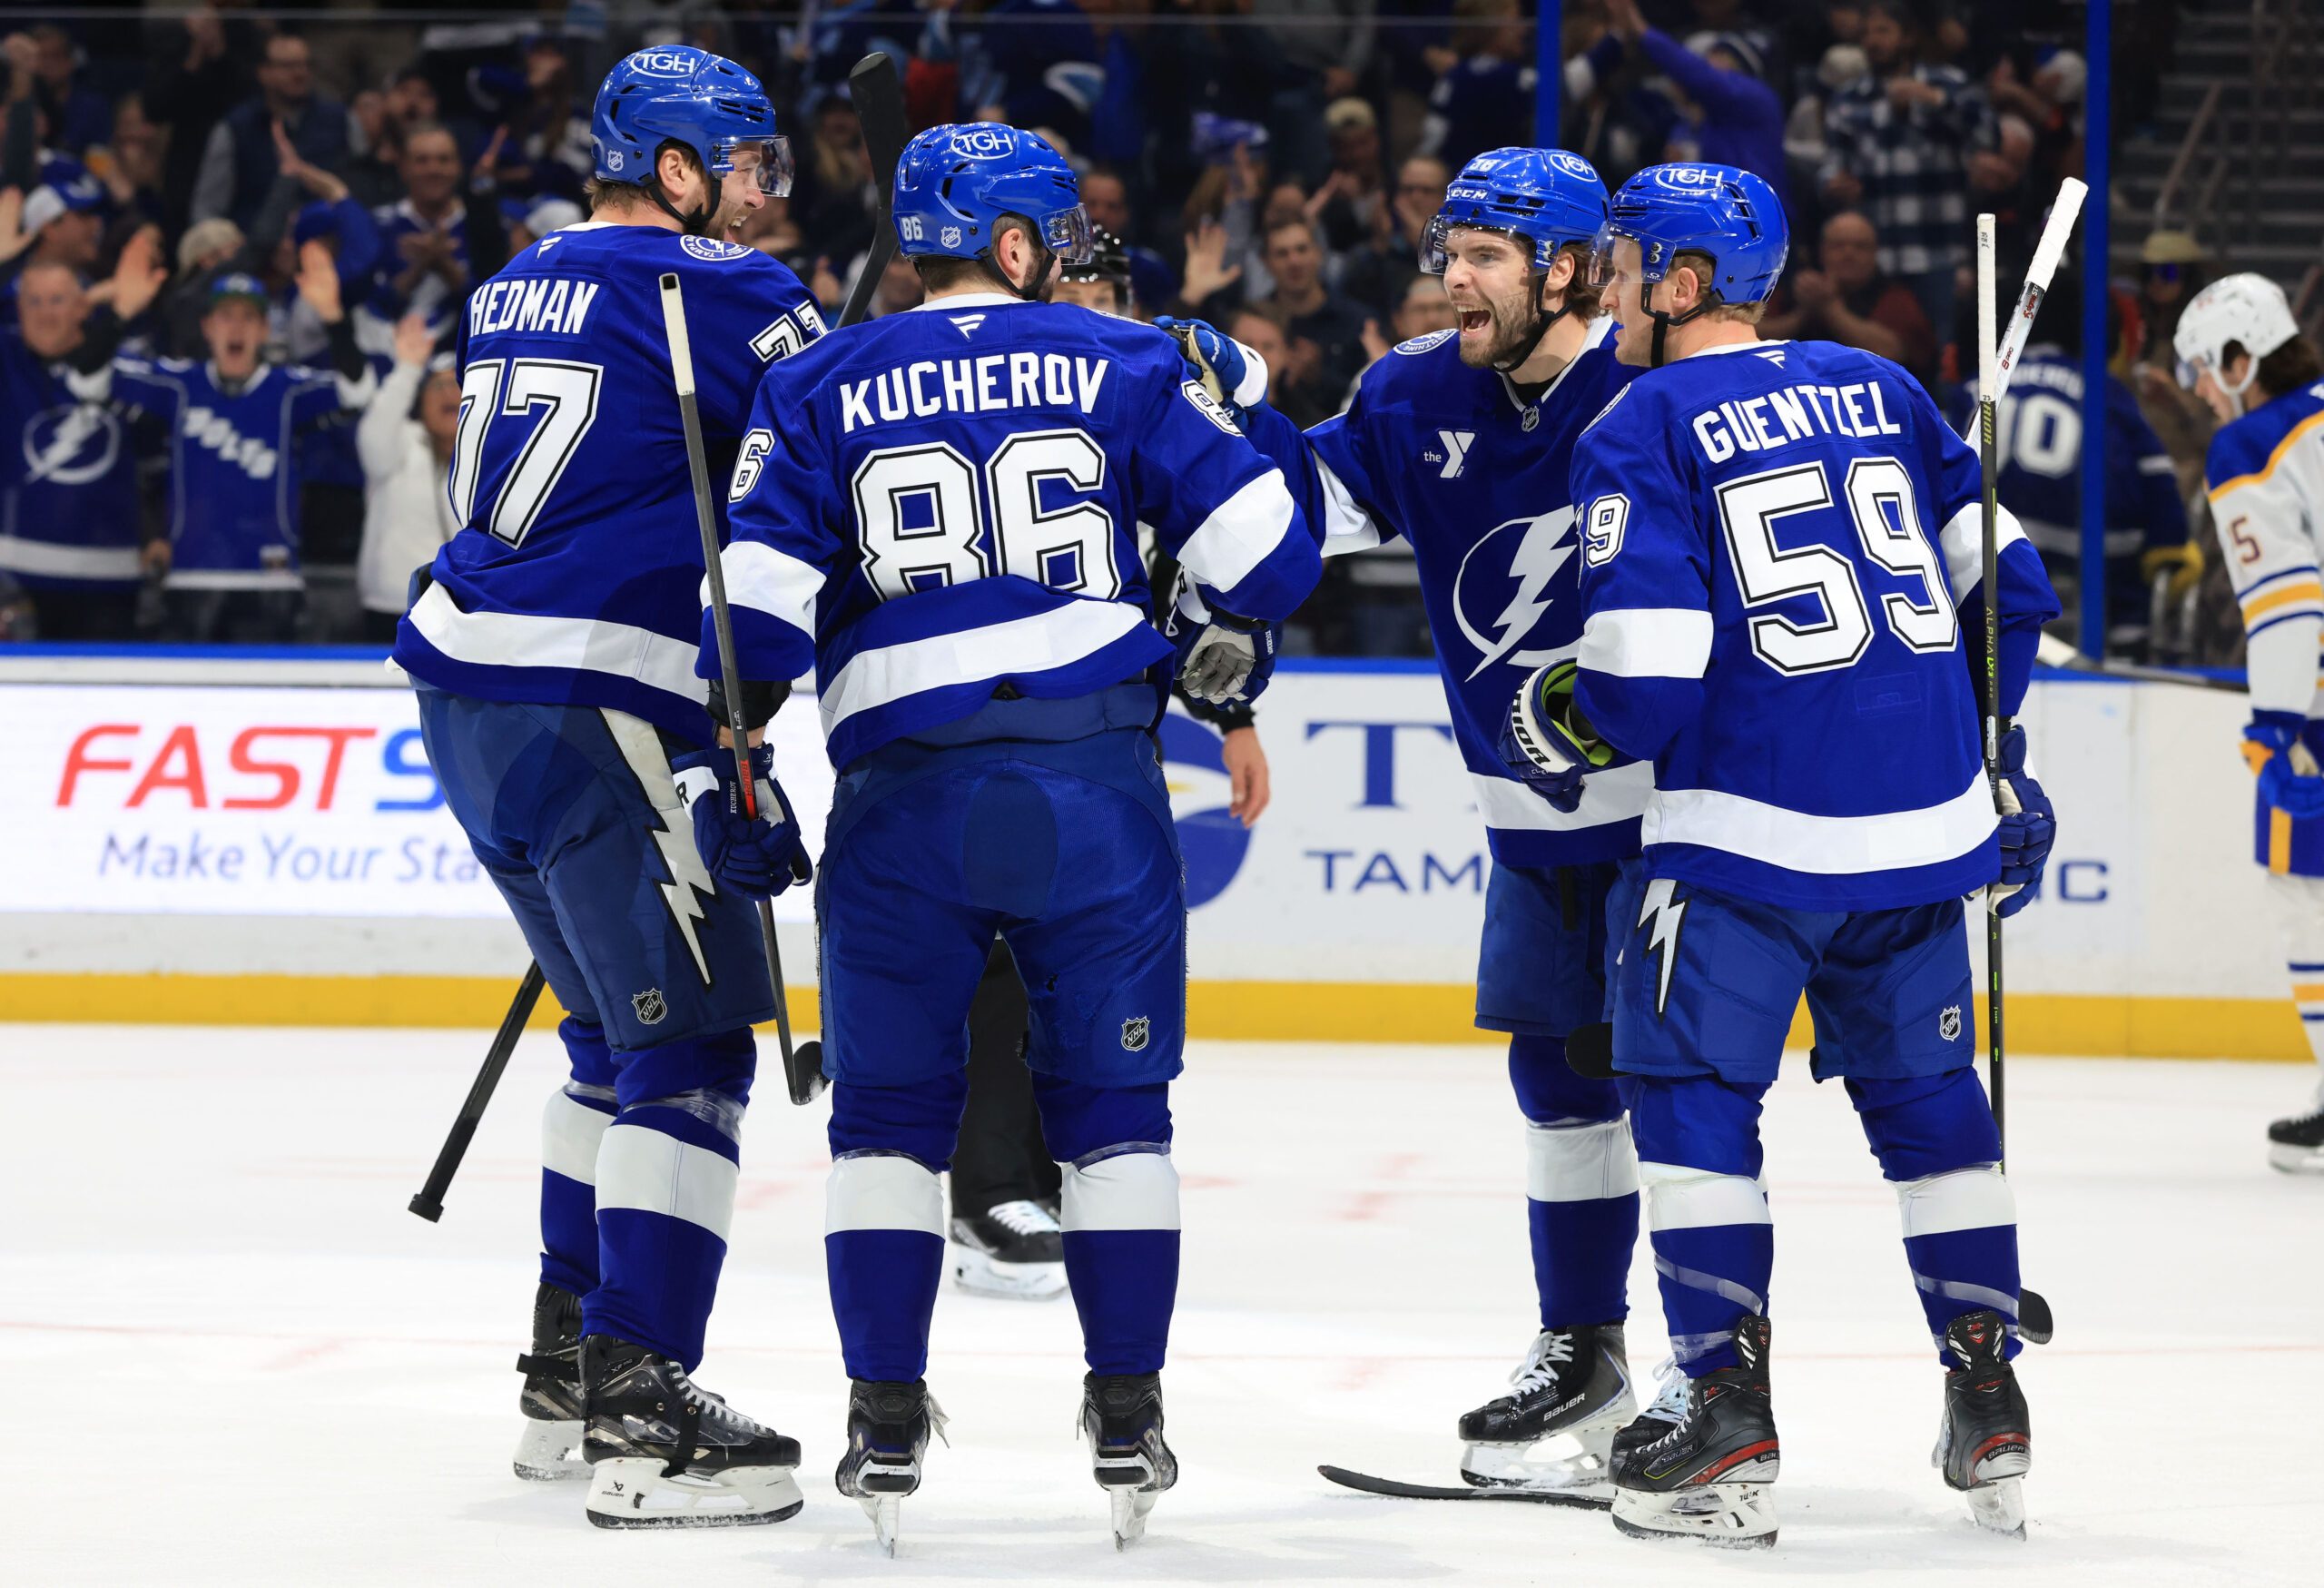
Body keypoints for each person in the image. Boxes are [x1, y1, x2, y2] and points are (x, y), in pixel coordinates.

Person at [704, 122, 1318, 1550]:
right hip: (1091, 790)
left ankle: (885, 1415)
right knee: (1116, 1123)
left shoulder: (814, 379)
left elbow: (750, 633)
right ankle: (1126, 1409)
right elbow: (1274, 560)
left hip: (900, 804)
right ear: (1027, 244)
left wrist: (726, 769)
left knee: (883, 1129)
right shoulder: (1127, 360)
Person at [1503, 163, 2057, 1545]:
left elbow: (1652, 671)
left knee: (1690, 1101)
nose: (1607, 289)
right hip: (1927, 833)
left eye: (1626, 266)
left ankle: (1722, 1411)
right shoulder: (1882, 387)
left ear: (1685, 283)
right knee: (1931, 1106)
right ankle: (1989, 1398)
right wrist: (1995, 754)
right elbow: (2013, 592)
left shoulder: (1644, 419)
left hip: (1747, 840)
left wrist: (1567, 710)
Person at [1167, 146, 1660, 1498]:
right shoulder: (1412, 393)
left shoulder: (1657, 387)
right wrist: (1234, 412)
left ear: (1568, 268)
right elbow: (1295, 522)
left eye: (1488, 257)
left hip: (1682, 816)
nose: (1456, 278)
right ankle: (1588, 1353)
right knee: (1559, 1084)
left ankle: (1714, 1378)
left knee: (1681, 1098)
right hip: (1532, 819)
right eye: (1452, 253)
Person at [389, 45, 823, 1528]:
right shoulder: (731, 289)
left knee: (608, 1033)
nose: (767, 193)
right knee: (693, 1050)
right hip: (593, 695)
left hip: (467, 688)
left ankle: (563, 1370)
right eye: (747, 163)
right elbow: (841, 439)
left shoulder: (514, 275)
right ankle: (643, 1399)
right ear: (684, 166)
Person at [949, 231, 1278, 1306]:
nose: (1093, 305)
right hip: (998, 710)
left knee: (1081, 957)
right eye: (1073, 289)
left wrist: (1230, 712)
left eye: (1109, 290)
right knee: (1000, 954)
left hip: (1110, 722)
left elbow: (1205, 569)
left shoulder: (1151, 392)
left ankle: (1043, 1174)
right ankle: (987, 1186)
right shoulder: (1011, 389)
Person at [2173, 273, 2324, 1174]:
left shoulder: (2254, 441)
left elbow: (2287, 602)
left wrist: (2271, 723)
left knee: (2304, 897)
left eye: (2200, 367)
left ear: (2241, 359)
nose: (2194, 386)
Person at [111, 251, 377, 643]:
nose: (236, 328)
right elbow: (91, 381)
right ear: (207, 327)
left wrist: (335, 320)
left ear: (264, 330)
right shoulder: (180, 385)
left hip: (273, 580)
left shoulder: (287, 390)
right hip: (191, 577)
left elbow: (359, 391)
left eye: (248, 318)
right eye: (226, 317)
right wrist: (120, 315)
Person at [1945, 275, 2191, 658]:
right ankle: (2129, 643)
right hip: (2094, 555)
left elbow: (1937, 465)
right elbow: (2156, 471)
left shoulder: (1976, 387)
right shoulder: (2105, 390)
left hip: (1997, 553)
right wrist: (2170, 542)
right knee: (2127, 590)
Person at [0, 241, 167, 636]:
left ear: (83, 307)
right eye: (33, 302)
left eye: (57, 300)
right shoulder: (6, 359)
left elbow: (159, 462)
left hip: (108, 577)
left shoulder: (127, 370)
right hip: (15, 578)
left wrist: (160, 531)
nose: (44, 314)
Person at [1818, 0, 1993, 358]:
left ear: (1908, 37)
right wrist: (1833, 183)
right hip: (1876, 262)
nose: (1873, 41)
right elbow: (1831, 164)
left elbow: (1988, 135)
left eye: (1883, 31)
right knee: (1876, 362)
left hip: (1937, 256)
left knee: (1941, 358)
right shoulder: (1850, 100)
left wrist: (1932, 100)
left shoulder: (1949, 85)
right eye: (1867, 32)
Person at [354, 312, 459, 642]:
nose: (449, 394)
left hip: (463, 613)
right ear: (419, 401)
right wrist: (409, 370)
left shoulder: (491, 454)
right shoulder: (400, 440)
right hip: (391, 608)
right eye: (437, 386)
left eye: (458, 384)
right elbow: (371, 439)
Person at [1759, 210, 1936, 387]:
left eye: (1860, 246)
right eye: (1838, 245)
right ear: (1821, 251)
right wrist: (1802, 314)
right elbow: (1753, 341)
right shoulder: (1795, 289)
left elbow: (1890, 352)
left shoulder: (1896, 297)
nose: (1848, 254)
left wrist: (1830, 307)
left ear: (1875, 253)